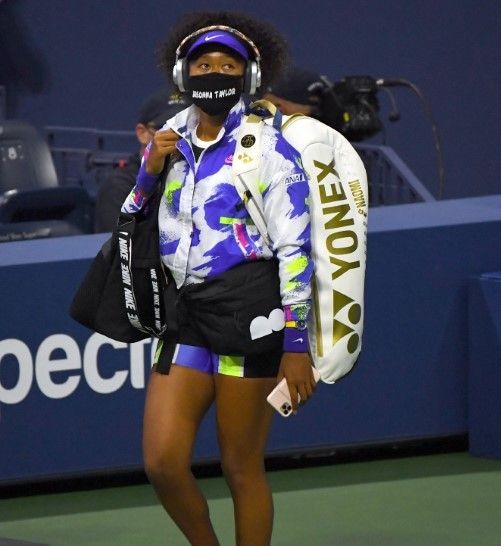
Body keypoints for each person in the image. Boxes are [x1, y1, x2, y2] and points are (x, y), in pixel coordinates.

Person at [120, 11, 316, 546]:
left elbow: (297, 249)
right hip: (186, 317)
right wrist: (148, 172)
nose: (214, 72)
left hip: (250, 316)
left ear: (249, 78)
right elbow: (133, 216)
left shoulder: (272, 152)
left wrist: (297, 345)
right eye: (203, 64)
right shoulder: (167, 142)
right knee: (162, 462)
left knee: (241, 467)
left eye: (228, 64)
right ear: (184, 76)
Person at [94, 89, 188, 232]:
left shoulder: (201, 178)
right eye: (168, 128)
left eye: (187, 128)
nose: (179, 136)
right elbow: (121, 247)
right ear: (142, 133)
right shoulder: (119, 186)